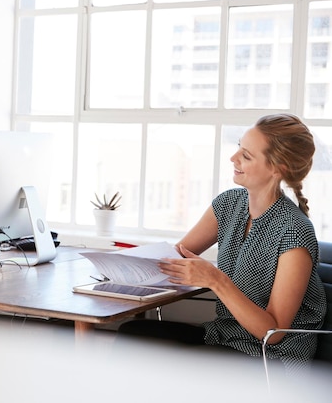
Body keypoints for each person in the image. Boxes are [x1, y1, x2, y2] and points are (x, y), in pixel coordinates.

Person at [118, 113, 326, 371]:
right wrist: (121, 267)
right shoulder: (229, 204)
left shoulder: (295, 232)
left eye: (246, 156)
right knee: (133, 334)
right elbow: (176, 258)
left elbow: (272, 332)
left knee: (169, 366)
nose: (233, 158)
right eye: (239, 147)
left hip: (270, 358)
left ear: (277, 168)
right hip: (223, 338)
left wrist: (215, 279)